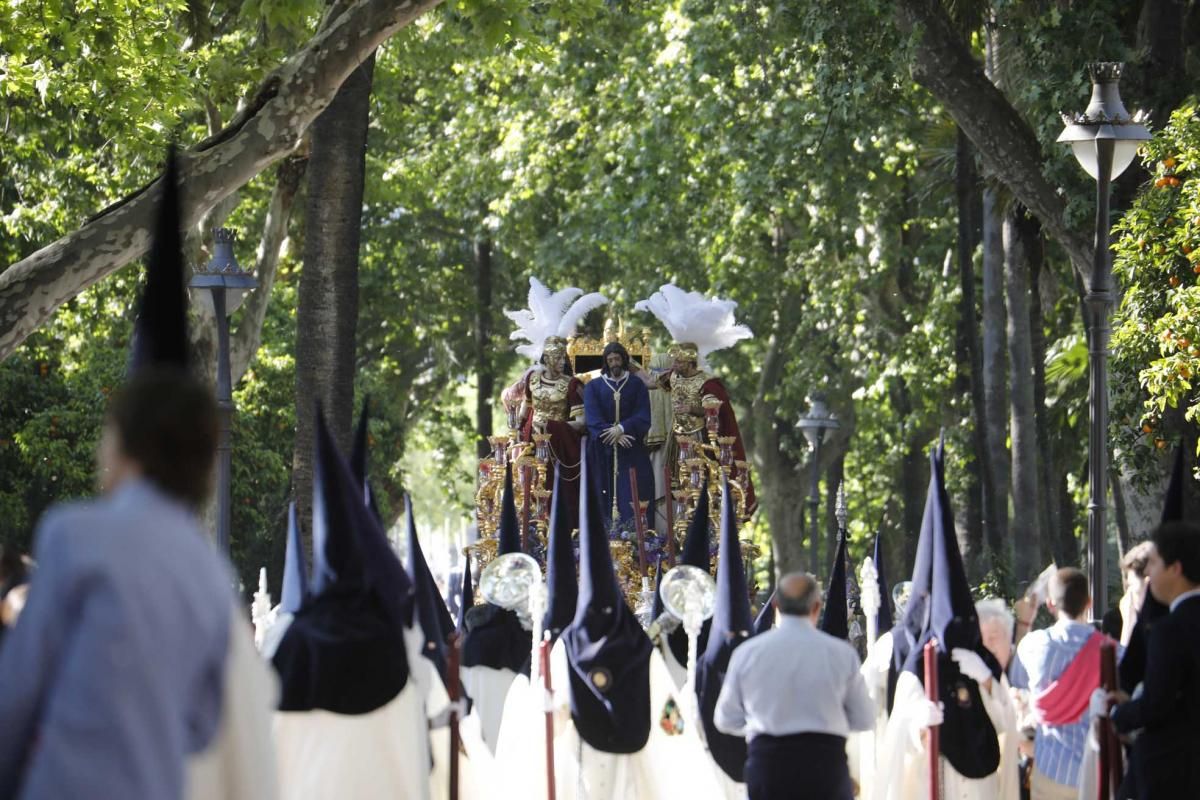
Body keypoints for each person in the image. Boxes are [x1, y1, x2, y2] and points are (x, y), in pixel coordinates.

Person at [0, 368, 260, 798]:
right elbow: (203, 723)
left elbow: (21, 689)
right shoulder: (213, 574)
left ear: (126, 445)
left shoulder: (74, 534)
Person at [714, 572, 874, 800]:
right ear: (817, 607)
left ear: (776, 605)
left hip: (769, 766)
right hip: (825, 767)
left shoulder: (746, 654)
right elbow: (864, 719)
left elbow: (725, 719)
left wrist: (760, 727)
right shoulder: (842, 654)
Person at [635, 284, 757, 516]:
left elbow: (713, 410)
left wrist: (691, 407)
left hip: (698, 436)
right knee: (676, 482)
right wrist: (630, 367)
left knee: (699, 480)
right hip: (676, 435)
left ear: (690, 363)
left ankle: (699, 515)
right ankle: (680, 519)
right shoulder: (673, 376)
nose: (675, 365)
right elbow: (651, 382)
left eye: (679, 362)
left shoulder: (707, 382)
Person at [1103, 521, 1200, 799]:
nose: (1147, 572)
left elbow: (1157, 704)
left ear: (1176, 568)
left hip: (1171, 773)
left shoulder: (1170, 630)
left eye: (1154, 563)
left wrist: (1119, 714)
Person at [503, 277, 608, 524]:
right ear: (546, 358)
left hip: (559, 445)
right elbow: (525, 409)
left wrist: (553, 428)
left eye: (562, 357)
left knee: (557, 489)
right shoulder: (533, 380)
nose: (560, 361)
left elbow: (581, 422)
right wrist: (517, 429)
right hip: (531, 441)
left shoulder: (571, 385)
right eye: (555, 357)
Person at [1014, 568, 1108, 800]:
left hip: (1049, 772)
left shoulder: (1033, 645)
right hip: (1095, 775)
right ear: (1089, 602)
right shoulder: (1110, 651)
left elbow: (1015, 678)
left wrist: (1025, 622)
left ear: (1050, 605)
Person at [584, 341, 656, 531]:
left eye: (617, 359)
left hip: (631, 448)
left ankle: (633, 537)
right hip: (602, 450)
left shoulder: (636, 385)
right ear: (606, 362)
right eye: (610, 360)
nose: (614, 363)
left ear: (624, 360)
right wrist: (612, 433)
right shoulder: (593, 387)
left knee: (632, 493)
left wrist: (623, 428)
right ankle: (602, 537)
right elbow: (592, 418)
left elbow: (643, 415)